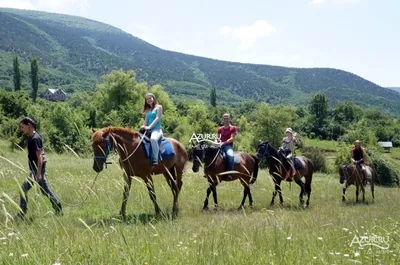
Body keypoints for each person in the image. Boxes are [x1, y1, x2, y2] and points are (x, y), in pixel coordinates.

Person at [17, 117, 62, 219]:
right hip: (36, 170)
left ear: (29, 125)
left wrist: (38, 174)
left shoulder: (35, 138)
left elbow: (40, 157)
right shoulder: (32, 137)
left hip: (36, 170)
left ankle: (22, 213)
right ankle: (58, 208)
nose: (21, 129)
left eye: (22, 126)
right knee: (45, 191)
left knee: (23, 190)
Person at [140, 93, 163, 166]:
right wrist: (143, 126)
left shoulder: (159, 107)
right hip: (148, 129)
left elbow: (157, 118)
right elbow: (146, 121)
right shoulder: (148, 110)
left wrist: (149, 127)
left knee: (153, 139)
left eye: (150, 98)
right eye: (147, 99)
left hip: (156, 129)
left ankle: (155, 159)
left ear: (153, 98)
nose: (149, 100)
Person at [217, 113, 237, 180]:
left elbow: (232, 139)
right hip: (220, 145)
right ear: (223, 119)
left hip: (228, 146)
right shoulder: (220, 128)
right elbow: (217, 137)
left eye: (227, 118)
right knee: (210, 153)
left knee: (230, 156)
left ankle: (230, 173)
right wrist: (218, 142)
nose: (226, 119)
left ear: (229, 119)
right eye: (225, 118)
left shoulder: (233, 128)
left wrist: (224, 143)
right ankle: (208, 171)